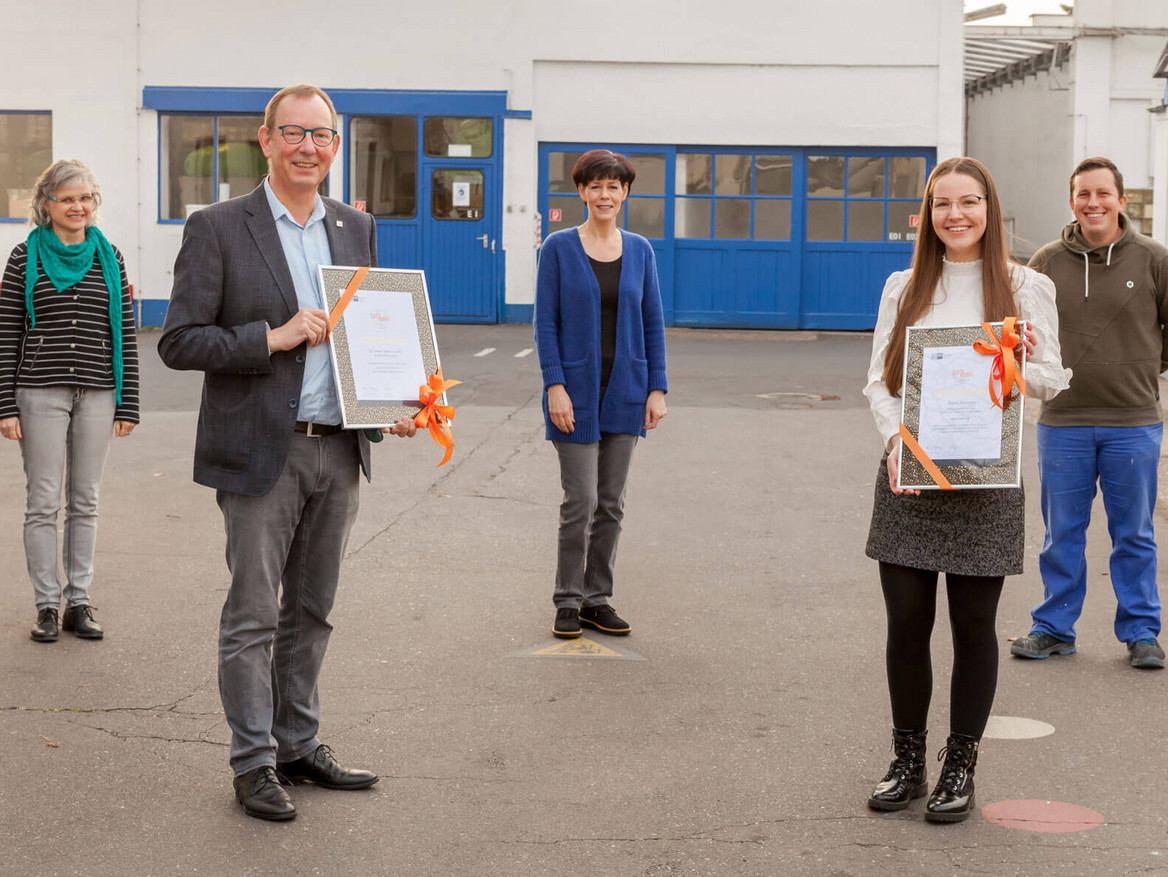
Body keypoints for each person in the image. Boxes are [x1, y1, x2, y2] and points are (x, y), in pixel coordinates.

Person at [159, 84, 417, 822]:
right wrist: (268, 337)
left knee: (313, 609)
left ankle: (298, 742)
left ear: (336, 147)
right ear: (266, 140)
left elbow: (370, 334)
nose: (310, 148)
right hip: (261, 453)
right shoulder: (217, 227)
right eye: (295, 133)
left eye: (323, 136)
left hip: (339, 449)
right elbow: (179, 340)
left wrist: (392, 403)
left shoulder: (355, 226)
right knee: (252, 615)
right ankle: (253, 761)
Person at [863, 157, 1070, 822]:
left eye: (969, 202)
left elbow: (1050, 379)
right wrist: (897, 444)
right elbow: (879, 381)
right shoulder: (903, 285)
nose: (956, 214)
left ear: (990, 208)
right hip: (911, 478)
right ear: (927, 214)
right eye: (943, 203)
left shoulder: (1025, 286)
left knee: (974, 627)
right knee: (906, 624)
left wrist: (1023, 359)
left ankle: (961, 764)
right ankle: (908, 760)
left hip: (986, 479)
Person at [1011, 157, 1168, 670]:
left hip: (1135, 422)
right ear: (1072, 200)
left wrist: (1140, 368)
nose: (1093, 203)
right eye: (1084, 194)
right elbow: (1022, 335)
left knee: (1135, 534)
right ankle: (1054, 628)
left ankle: (1142, 632)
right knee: (1062, 534)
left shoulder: (1153, 259)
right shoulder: (1047, 261)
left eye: (1104, 193)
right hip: (1063, 422)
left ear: (1121, 201)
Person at [0, 159, 139, 643]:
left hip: (99, 391)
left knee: (85, 500)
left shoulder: (110, 256)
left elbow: (123, 330)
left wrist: (129, 402)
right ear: (46, 205)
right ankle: (46, 606)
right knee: (42, 502)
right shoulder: (24, 257)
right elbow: (7, 333)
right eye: (67, 198)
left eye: (86, 198)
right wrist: (5, 406)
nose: (78, 206)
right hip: (38, 391)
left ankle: (78, 601)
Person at [534, 150, 668, 640]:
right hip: (574, 392)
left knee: (610, 503)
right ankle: (567, 600)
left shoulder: (641, 250)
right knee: (581, 500)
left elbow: (652, 321)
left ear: (626, 192)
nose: (605, 194)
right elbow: (545, 321)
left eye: (614, 186)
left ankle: (597, 599)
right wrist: (555, 385)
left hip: (627, 391)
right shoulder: (558, 247)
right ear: (581, 192)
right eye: (595, 186)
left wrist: (657, 387)